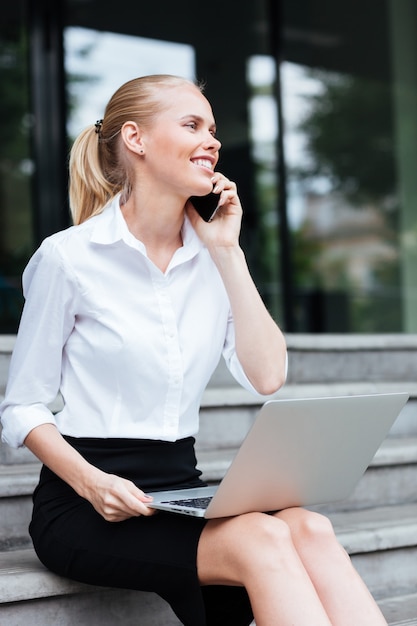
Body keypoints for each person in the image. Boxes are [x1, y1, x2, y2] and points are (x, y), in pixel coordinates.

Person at [0, 74, 387, 626]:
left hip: (180, 488)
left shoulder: (212, 257)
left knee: (309, 526)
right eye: (192, 125)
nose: (212, 141)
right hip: (86, 500)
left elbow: (268, 376)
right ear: (135, 139)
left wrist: (227, 253)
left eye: (213, 129)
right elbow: (21, 406)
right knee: (261, 538)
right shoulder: (70, 259)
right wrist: (92, 481)